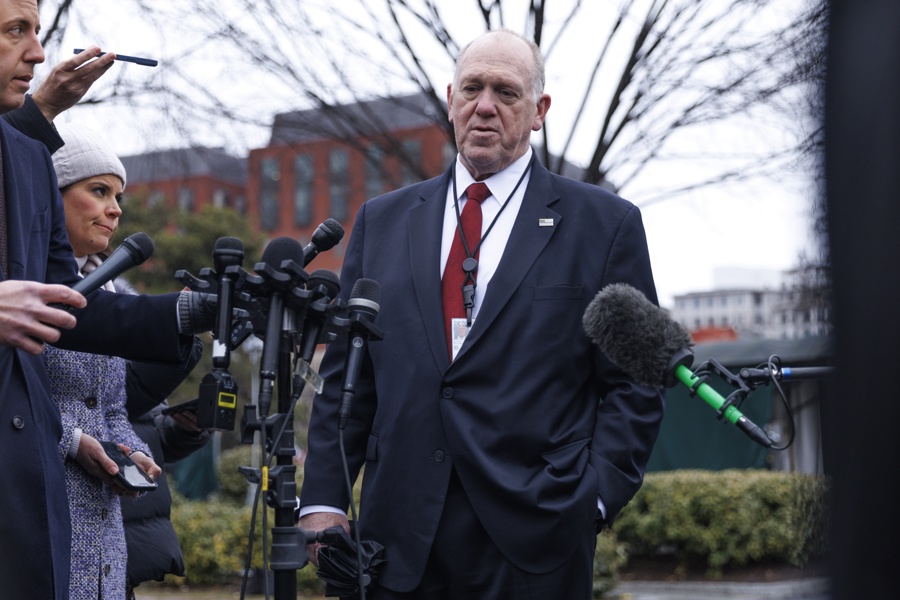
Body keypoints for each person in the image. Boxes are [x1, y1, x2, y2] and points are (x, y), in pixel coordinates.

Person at [297, 29, 665, 599]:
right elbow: (348, 375)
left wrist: (591, 499)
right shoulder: (381, 221)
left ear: (539, 111)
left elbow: (639, 380)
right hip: (395, 545)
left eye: (506, 92)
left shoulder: (606, 225)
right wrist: (323, 502)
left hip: (535, 541)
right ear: (451, 101)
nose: (485, 106)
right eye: (472, 88)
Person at [0, 3, 213, 598]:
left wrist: (190, 313)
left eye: (37, 29)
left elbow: (75, 314)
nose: (38, 51)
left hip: (44, 516)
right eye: (15, 30)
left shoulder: (25, 154)